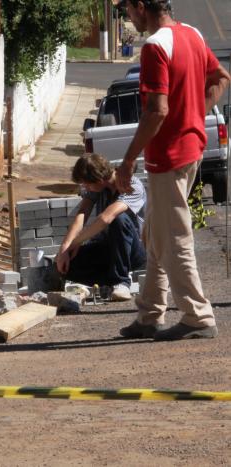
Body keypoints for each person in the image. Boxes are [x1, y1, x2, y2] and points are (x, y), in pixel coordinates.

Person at [115, 0, 230, 340]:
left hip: (168, 157)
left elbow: (156, 111)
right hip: (190, 150)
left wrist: (128, 159)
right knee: (156, 234)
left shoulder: (154, 46)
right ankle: (150, 313)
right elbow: (220, 76)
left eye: (127, 11)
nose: (127, 17)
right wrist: (195, 113)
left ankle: (198, 316)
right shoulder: (191, 34)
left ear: (141, 7)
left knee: (174, 237)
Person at [56, 154, 146, 301]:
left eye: (87, 184)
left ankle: (121, 283)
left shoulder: (132, 185)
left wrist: (76, 242)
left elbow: (106, 217)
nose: (85, 188)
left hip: (134, 250)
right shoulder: (98, 188)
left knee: (118, 219)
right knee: (65, 265)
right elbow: (82, 214)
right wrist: (65, 249)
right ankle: (108, 283)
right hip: (107, 248)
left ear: (98, 179)